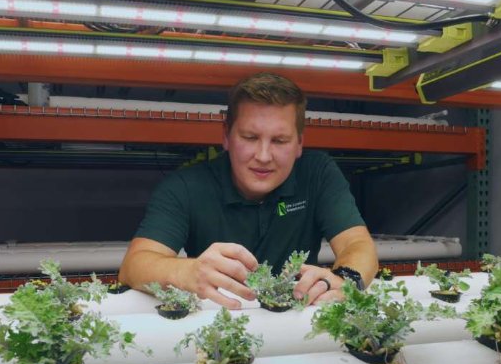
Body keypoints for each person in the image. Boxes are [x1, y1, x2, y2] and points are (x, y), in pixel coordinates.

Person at [119, 72, 378, 309]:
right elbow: (134, 266)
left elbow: (357, 243)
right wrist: (187, 272)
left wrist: (345, 279)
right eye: (250, 138)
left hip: (297, 321)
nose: (264, 156)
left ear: (299, 143)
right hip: (219, 321)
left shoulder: (318, 173)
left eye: (279, 141)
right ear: (227, 136)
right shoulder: (184, 187)